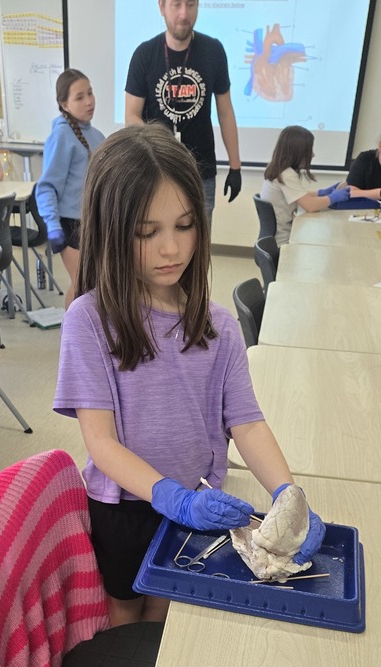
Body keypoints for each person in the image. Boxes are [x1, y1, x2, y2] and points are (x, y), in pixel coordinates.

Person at [53, 123, 325, 626]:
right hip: (127, 508)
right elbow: (101, 443)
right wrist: (167, 496)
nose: (171, 249)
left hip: (200, 502)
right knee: (126, 612)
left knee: (170, 619)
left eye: (184, 226)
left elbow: (246, 422)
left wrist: (289, 493)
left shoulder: (217, 325)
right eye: (146, 232)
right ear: (112, 232)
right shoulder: (88, 321)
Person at [124, 0, 242, 225]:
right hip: (157, 170)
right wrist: (162, 141)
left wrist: (235, 166)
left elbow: (225, 111)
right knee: (160, 243)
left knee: (198, 245)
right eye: (176, 5)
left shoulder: (213, 51)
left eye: (190, 5)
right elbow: (131, 116)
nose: (183, 13)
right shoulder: (145, 54)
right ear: (162, 7)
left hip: (201, 171)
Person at [36, 69, 105, 309]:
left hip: (93, 224)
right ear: (64, 104)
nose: (89, 101)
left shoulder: (97, 136)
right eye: (79, 97)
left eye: (90, 93)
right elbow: (46, 187)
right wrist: (53, 227)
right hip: (69, 225)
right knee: (83, 287)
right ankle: (72, 341)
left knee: (94, 287)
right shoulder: (61, 136)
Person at [260, 125, 350, 245]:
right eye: (309, 151)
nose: (312, 155)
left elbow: (299, 196)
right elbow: (310, 206)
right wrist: (333, 197)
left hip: (275, 238)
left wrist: (322, 193)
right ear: (297, 152)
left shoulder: (278, 170)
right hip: (283, 241)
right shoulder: (286, 174)